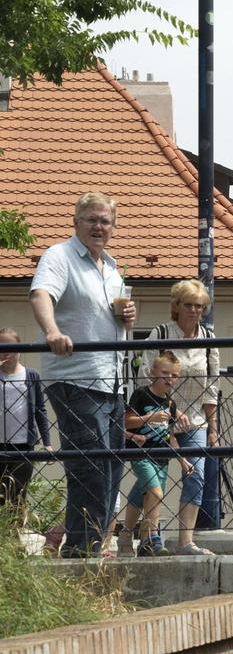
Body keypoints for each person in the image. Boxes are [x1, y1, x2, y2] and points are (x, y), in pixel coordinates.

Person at [29, 192, 135, 557]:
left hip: (113, 380)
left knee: (111, 468)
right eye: (91, 219)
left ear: (114, 227)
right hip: (76, 378)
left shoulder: (112, 267)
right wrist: (52, 332)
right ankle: (81, 550)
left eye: (105, 221)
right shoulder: (59, 256)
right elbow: (40, 294)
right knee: (90, 467)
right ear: (76, 222)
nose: (98, 227)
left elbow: (103, 317)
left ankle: (86, 545)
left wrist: (125, 319)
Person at [139, 280, 219, 555]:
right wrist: (173, 411)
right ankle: (146, 537)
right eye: (189, 305)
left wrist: (213, 428)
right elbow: (144, 377)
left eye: (199, 306)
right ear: (177, 306)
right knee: (152, 479)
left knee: (195, 472)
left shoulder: (209, 338)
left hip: (195, 419)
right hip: (159, 415)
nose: (194, 311)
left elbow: (212, 386)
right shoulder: (160, 334)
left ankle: (186, 541)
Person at [118, 352, 190, 557]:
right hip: (140, 453)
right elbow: (127, 421)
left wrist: (183, 460)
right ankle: (151, 538)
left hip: (161, 457)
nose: (169, 378)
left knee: (143, 496)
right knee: (156, 494)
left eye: (174, 375)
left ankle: (125, 537)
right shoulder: (141, 394)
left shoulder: (170, 403)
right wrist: (149, 417)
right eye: (165, 373)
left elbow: (170, 436)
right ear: (152, 372)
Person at [0, 327, 52, 531]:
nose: (7, 353)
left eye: (12, 347)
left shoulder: (30, 375)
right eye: (2, 348)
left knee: (19, 494)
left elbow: (40, 410)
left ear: (20, 349)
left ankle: (15, 537)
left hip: (24, 444)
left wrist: (47, 444)